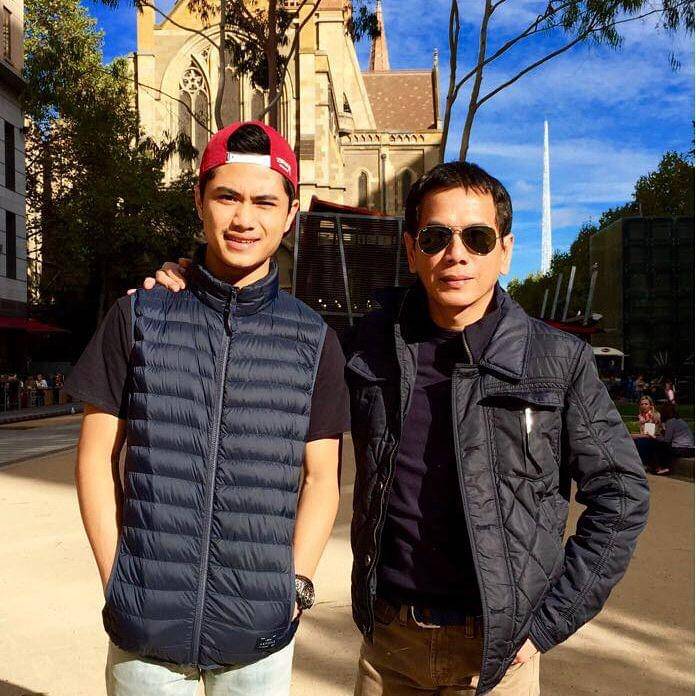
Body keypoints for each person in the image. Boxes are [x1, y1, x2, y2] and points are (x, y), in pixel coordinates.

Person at [149, 161, 650, 695]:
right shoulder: (368, 345)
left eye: (477, 238)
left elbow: (621, 496)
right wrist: (198, 286)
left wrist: (547, 624)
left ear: (505, 251)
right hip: (390, 645)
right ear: (412, 250)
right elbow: (265, 357)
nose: (456, 254)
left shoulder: (556, 361)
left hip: (498, 657)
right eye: (436, 237)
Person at [64, 121, 349, 696]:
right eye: (227, 197)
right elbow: (95, 458)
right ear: (199, 201)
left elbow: (322, 478)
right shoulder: (138, 316)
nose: (245, 219)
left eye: (265, 202)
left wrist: (295, 587)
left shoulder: (314, 340)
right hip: (145, 634)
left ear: (290, 215)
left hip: (259, 638)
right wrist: (117, 580)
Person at [650, 403, 694, 475]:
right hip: (691, 449)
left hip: (681, 449)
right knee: (664, 446)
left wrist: (654, 437)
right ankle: (663, 467)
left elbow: (667, 440)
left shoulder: (670, 422)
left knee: (657, 445)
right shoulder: (679, 420)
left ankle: (661, 468)